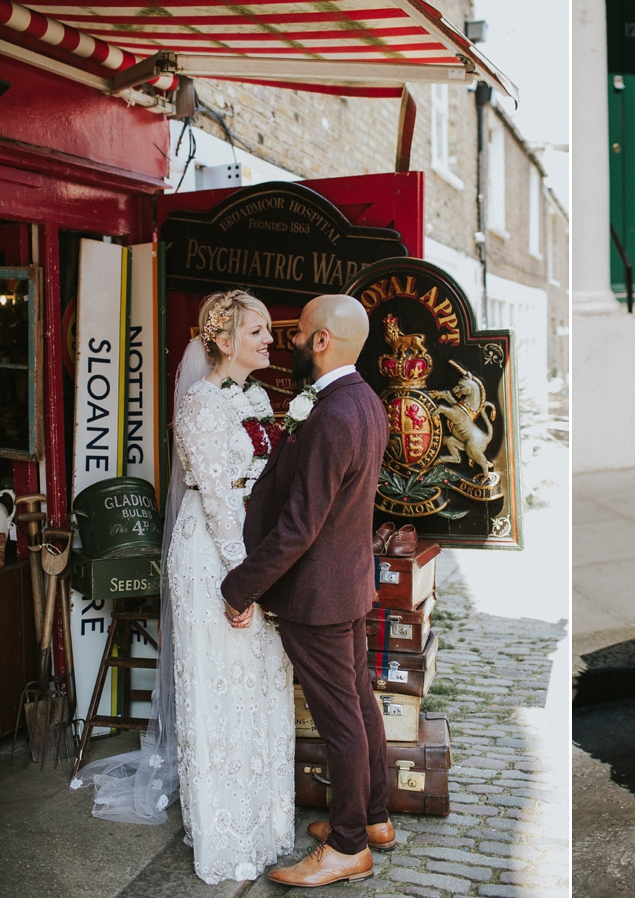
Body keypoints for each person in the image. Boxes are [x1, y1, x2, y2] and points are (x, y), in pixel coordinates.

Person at [73, 290, 296, 885]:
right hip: (215, 556)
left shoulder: (254, 399)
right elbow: (221, 499)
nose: (269, 340)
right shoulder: (201, 405)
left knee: (258, 683)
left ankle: (266, 821)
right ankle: (224, 835)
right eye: (258, 332)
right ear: (222, 340)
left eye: (270, 331)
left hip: (251, 554)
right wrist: (241, 582)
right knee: (219, 687)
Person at [221, 293, 393, 888]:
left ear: (321, 342)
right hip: (347, 585)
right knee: (359, 702)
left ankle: (348, 848)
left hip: (317, 596)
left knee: (340, 717)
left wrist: (240, 587)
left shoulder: (332, 414)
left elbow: (299, 527)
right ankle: (373, 818)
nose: (287, 341)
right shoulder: (363, 401)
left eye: (296, 333)